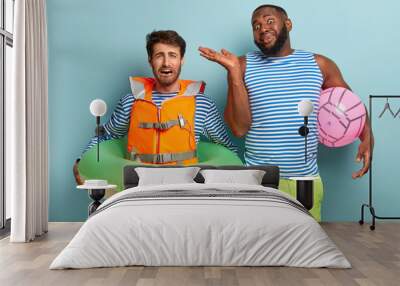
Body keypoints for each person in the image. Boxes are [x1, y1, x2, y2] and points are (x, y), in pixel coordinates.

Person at [199, 4, 373, 179]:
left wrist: (367, 137)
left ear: (288, 24)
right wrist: (234, 73)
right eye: (256, 26)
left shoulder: (320, 65)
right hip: (258, 180)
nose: (263, 29)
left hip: (306, 181)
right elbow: (238, 129)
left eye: (269, 21)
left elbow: (352, 106)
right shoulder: (242, 65)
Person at [74, 30, 237, 184]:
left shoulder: (202, 104)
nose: (166, 63)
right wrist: (83, 161)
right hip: (137, 185)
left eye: (172, 55)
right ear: (150, 60)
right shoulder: (131, 101)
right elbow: (105, 135)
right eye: (159, 56)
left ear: (182, 60)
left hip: (186, 187)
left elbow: (226, 148)